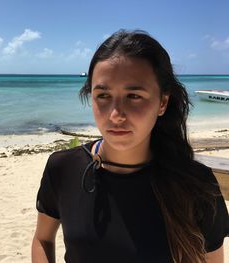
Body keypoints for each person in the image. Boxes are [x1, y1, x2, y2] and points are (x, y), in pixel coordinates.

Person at [32, 30, 229, 263]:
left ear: (162, 103)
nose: (116, 115)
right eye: (103, 95)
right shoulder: (62, 168)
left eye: (134, 96)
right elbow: (42, 239)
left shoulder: (197, 185)